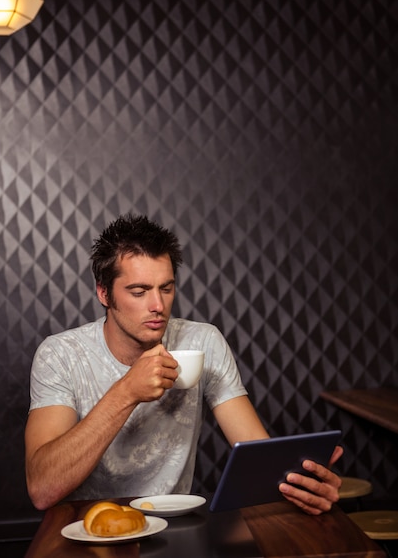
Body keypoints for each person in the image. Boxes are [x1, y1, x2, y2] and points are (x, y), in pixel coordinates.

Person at [25, 213, 342, 514]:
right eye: (139, 291)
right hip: (88, 529)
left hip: (171, 529)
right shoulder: (60, 355)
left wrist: (303, 484)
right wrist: (126, 392)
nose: (158, 306)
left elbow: (258, 456)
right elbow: (42, 489)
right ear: (104, 293)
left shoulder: (202, 343)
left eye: (166, 288)